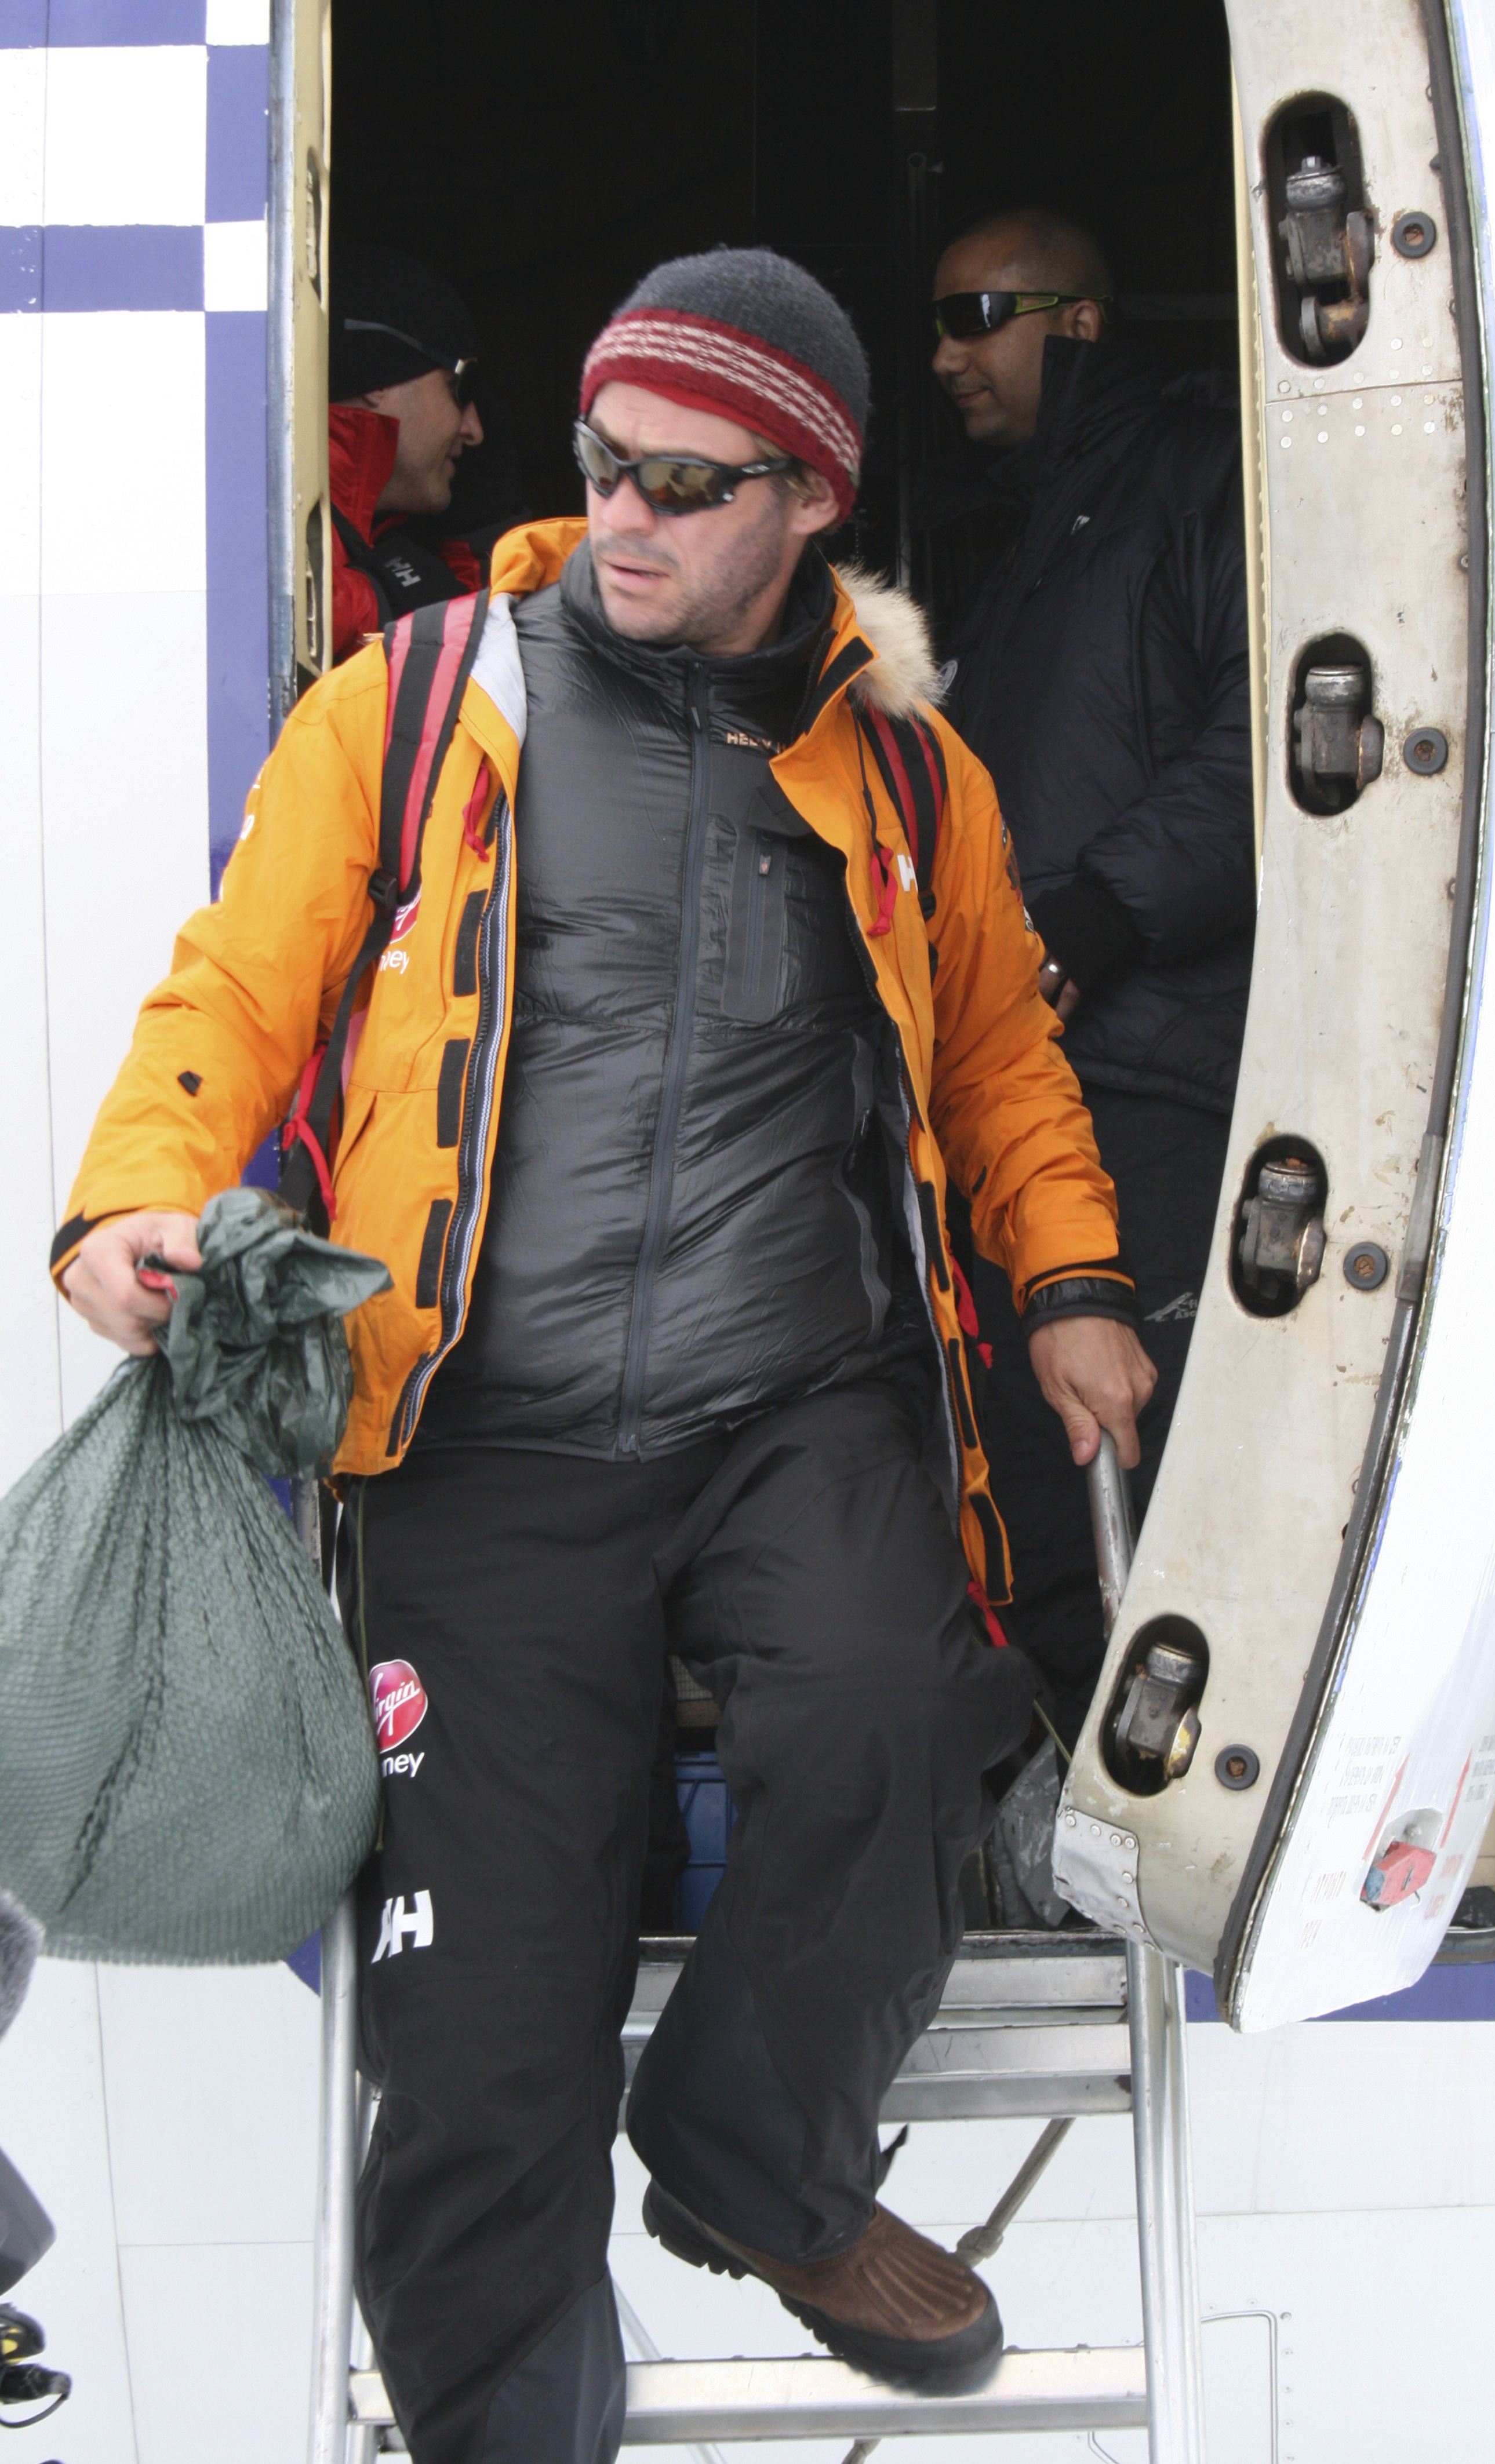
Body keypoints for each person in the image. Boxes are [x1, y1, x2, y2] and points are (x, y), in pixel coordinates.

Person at [56, 248, 1155, 2464]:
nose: (625, 516)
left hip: (798, 1407)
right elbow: (231, 983)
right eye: (600, 467)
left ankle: (757, 2158)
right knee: (479, 2052)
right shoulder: (416, 697)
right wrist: (129, 1196)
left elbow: (1005, 1064)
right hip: (478, 1434)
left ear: (805, 505)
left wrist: (1070, 1288)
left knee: (895, 1720)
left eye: (686, 480)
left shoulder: (911, 779)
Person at [927, 203, 1254, 1733]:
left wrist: (1094, 922)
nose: (942, 354)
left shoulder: (1199, 479)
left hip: (1156, 1074)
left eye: (974, 311)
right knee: (1034, 1496)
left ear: (1075, 322)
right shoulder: (1023, 551)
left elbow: (1276, 741)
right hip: (1022, 1097)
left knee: (1144, 1490)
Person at [329, 243, 529, 661]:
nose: (475, 430)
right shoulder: (261, 523)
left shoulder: (383, 547)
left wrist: (484, 533)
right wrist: (377, 603)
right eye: (462, 387)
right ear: (376, 374)